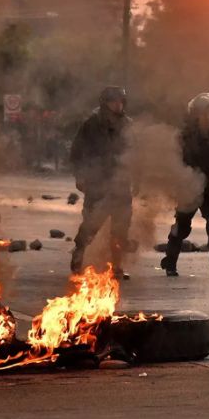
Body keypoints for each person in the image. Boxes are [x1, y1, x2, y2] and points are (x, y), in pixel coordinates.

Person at [160, 93, 209, 279]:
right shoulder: (184, 137)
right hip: (189, 186)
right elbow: (175, 163)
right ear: (196, 114)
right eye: (205, 113)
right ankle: (170, 262)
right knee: (182, 227)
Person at [69, 86, 132, 280]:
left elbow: (136, 153)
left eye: (120, 101)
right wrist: (80, 176)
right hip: (98, 183)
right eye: (114, 101)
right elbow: (77, 151)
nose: (118, 105)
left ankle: (117, 267)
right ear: (105, 103)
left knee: (120, 230)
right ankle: (78, 254)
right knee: (91, 225)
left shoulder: (128, 125)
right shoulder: (92, 124)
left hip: (121, 185)